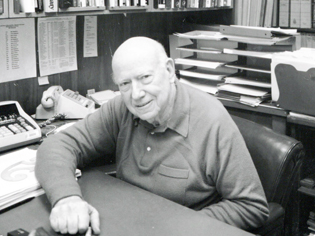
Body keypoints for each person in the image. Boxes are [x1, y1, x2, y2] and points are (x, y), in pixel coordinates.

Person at [35, 36, 269, 235]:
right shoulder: (122, 108)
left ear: (169, 70)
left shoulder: (211, 120)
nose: (136, 94)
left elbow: (251, 207)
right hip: (127, 221)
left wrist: (179, 227)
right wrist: (66, 198)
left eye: (145, 78)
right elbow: (58, 144)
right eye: (125, 83)